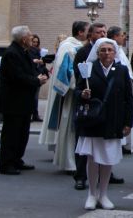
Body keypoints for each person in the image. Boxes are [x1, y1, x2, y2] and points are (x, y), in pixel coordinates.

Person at [75, 38, 133, 210]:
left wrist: (128, 122)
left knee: (108, 159)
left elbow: (128, 98)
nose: (106, 53)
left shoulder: (121, 70)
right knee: (92, 159)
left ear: (115, 53)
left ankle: (104, 194)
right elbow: (78, 91)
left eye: (109, 50)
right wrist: (83, 94)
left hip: (113, 120)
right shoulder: (89, 68)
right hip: (94, 119)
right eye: (103, 50)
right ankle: (92, 194)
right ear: (97, 52)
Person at [0, 26, 49, 175]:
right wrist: (36, 80)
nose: (32, 38)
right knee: (11, 134)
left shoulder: (25, 52)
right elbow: (17, 76)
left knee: (22, 133)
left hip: (24, 101)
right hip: (14, 101)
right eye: (29, 35)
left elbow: (31, 69)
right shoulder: (12, 53)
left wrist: (40, 75)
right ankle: (6, 163)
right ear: (23, 39)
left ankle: (17, 159)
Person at [39, 21, 88, 173]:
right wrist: (78, 85)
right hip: (71, 94)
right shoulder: (68, 46)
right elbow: (64, 70)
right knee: (69, 129)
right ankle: (69, 163)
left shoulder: (76, 45)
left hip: (79, 93)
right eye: (87, 30)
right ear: (80, 32)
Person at [107, 25, 133, 154]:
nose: (124, 37)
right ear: (115, 36)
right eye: (122, 35)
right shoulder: (113, 50)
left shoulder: (120, 49)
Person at [28, 34, 48, 122]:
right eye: (33, 42)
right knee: (32, 97)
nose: (35, 44)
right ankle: (32, 114)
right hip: (31, 76)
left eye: (37, 42)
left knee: (35, 96)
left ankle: (35, 114)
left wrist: (41, 62)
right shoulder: (28, 51)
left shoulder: (39, 51)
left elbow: (43, 64)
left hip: (38, 75)